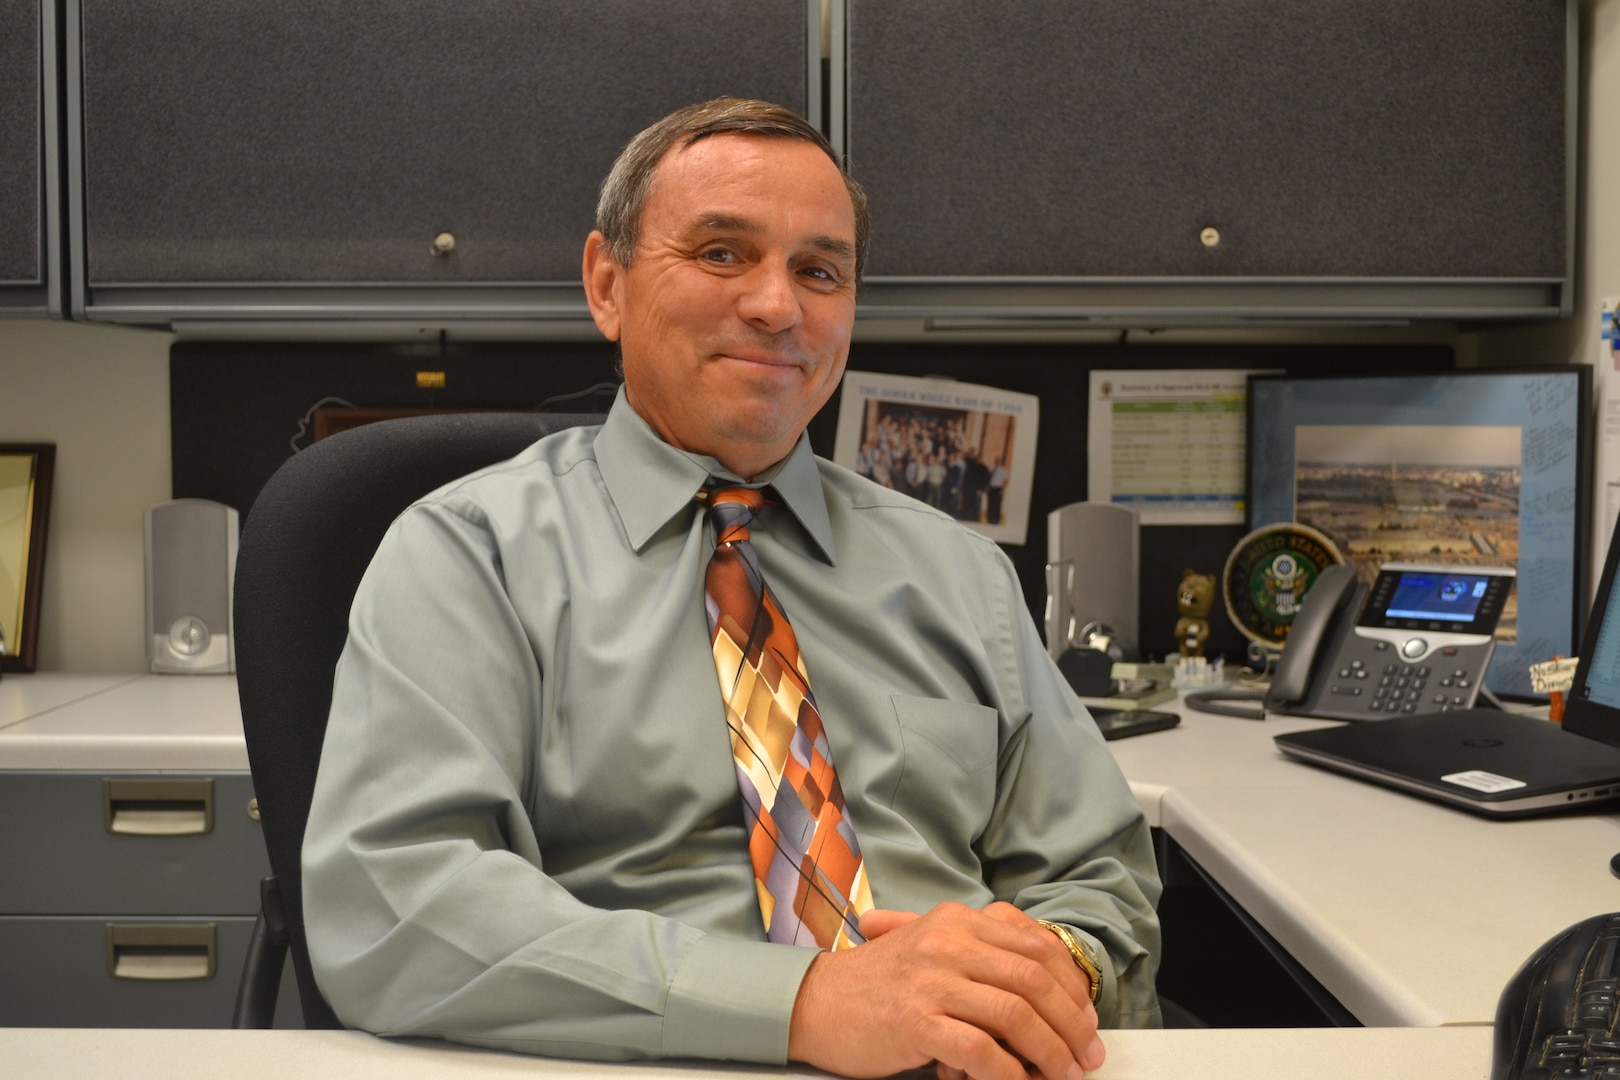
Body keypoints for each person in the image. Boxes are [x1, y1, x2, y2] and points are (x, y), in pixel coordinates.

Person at [301, 97, 1162, 1080]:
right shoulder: (468, 557)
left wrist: (1051, 973)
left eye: (819, 271)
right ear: (606, 285)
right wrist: (802, 1002)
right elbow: (399, 902)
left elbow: (1099, 875)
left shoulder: (958, 570)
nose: (777, 306)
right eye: (721, 253)